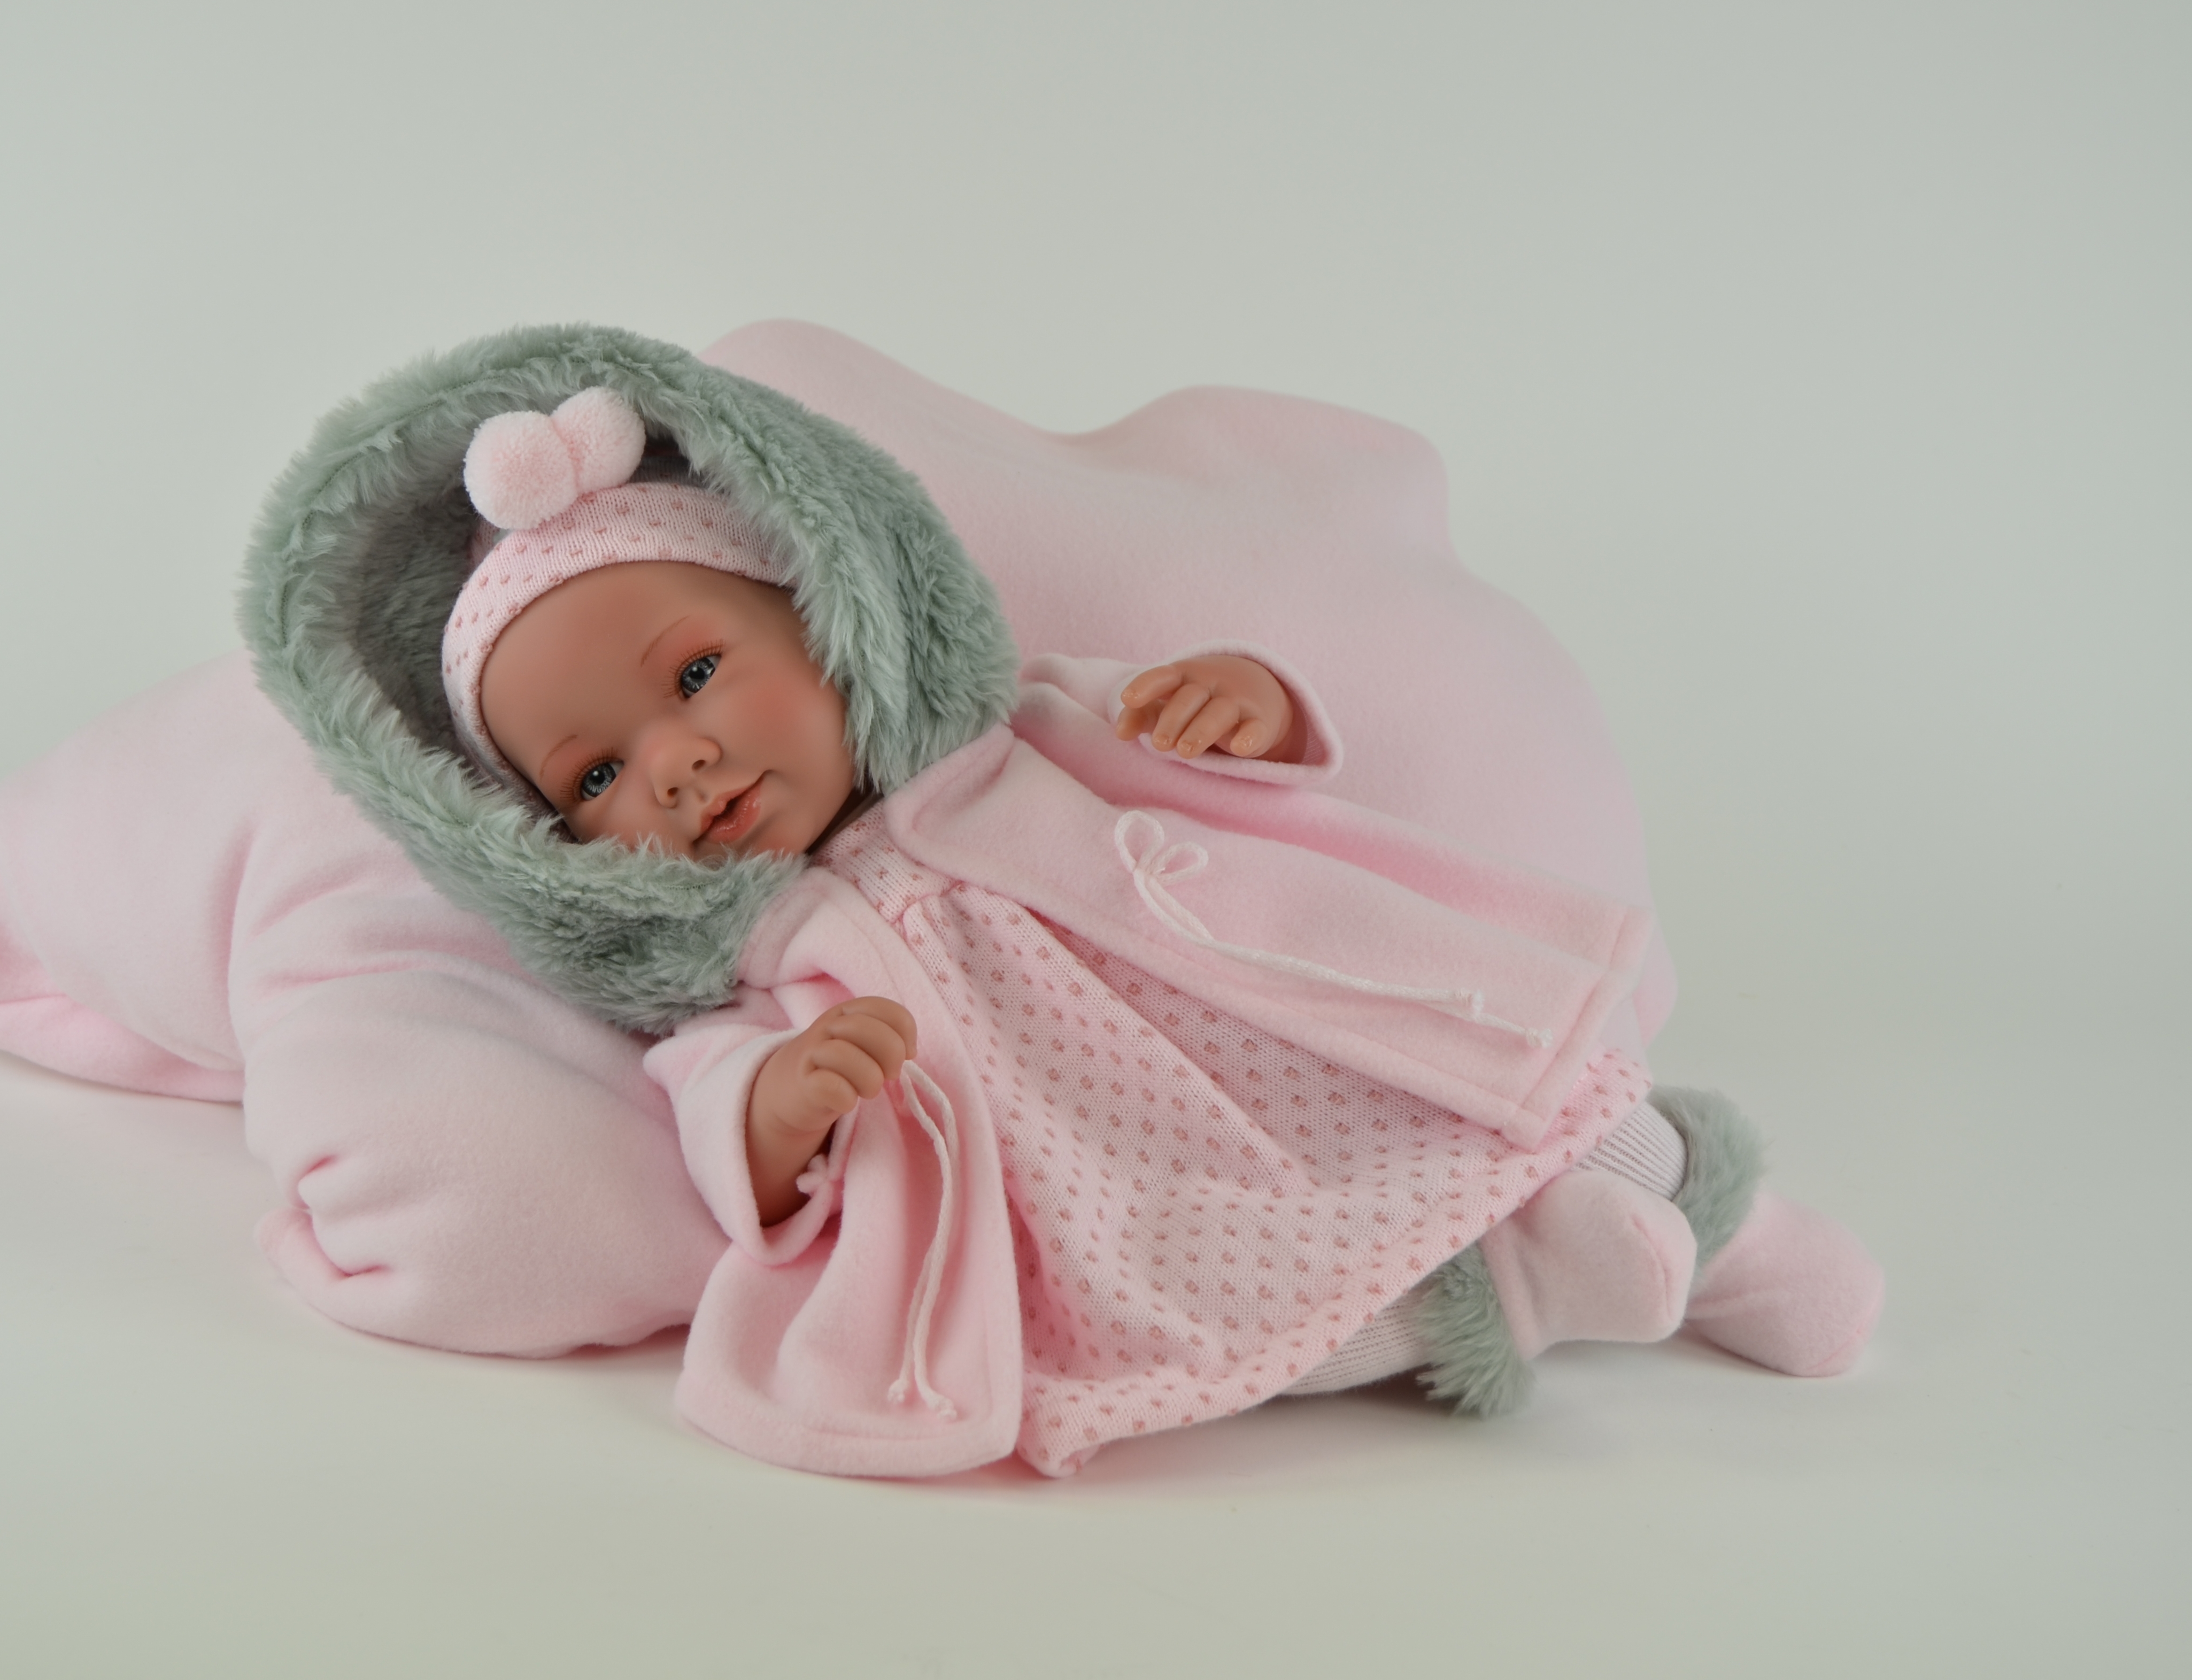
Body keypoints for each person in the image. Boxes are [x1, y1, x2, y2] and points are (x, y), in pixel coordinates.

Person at [430, 387, 1882, 1477]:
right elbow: (711, 1102)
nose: (675, 763)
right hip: (1119, 1189)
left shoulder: (1007, 736)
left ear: (822, 625)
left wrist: (1242, 703)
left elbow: (1190, 764)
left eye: (696, 674)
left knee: (1547, 1108)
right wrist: (778, 1106)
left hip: (1282, 1034)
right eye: (596, 778)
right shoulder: (759, 965)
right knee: (1228, 1333)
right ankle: (1523, 1286)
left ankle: (1726, 1227)